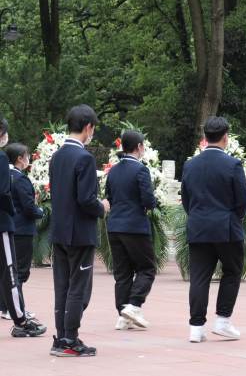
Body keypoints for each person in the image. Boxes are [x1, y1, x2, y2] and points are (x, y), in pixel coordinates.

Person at [181, 116, 246, 343]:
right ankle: (222, 321)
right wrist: (234, 218)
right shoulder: (232, 165)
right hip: (226, 228)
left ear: (205, 137)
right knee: (231, 271)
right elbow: (243, 200)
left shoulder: (190, 165)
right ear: (225, 137)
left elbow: (186, 199)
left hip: (198, 227)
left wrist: (198, 216)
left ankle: (196, 327)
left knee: (199, 277)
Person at [49, 104, 110, 357]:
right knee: (79, 288)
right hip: (80, 233)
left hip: (59, 231)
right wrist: (102, 206)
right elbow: (86, 199)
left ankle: (61, 337)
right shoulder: (84, 157)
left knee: (62, 286)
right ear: (88, 128)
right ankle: (70, 339)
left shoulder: (57, 156)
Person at [105, 130, 157, 330]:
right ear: (139, 147)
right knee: (147, 268)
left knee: (123, 272)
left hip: (115, 226)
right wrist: (151, 205)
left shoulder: (114, 170)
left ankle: (123, 314)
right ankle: (134, 304)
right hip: (134, 226)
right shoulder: (141, 170)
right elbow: (148, 200)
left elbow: (109, 195)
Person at [0, 118, 47, 337]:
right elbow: (4, 194)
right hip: (5, 224)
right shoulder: (2, 160)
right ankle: (19, 319)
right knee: (12, 272)